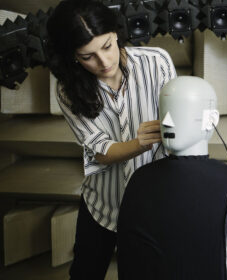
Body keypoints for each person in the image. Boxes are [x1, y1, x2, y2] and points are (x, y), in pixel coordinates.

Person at [46, 0, 176, 279]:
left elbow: (176, 131)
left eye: (106, 46)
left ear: (116, 32)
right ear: (72, 57)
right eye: (87, 56)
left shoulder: (158, 62)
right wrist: (139, 142)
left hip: (151, 207)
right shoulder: (68, 90)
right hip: (102, 205)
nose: (103, 62)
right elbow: (100, 152)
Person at [116, 76, 227, 280]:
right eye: (164, 113)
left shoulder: (138, 180)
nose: (166, 121)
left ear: (210, 119)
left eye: (178, 112)